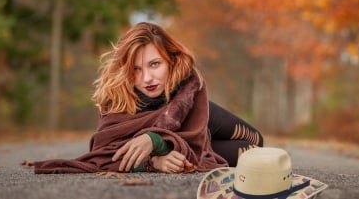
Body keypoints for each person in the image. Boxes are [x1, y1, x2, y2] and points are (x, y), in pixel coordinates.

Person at [34, 22, 263, 174]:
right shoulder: (116, 97)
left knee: (258, 141)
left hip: (196, 116)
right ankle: (195, 144)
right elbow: (104, 153)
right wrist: (154, 160)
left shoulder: (188, 82)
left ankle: (196, 137)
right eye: (136, 69)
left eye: (155, 64)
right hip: (191, 145)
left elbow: (171, 116)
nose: (147, 78)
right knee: (252, 155)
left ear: (170, 60)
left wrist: (154, 139)